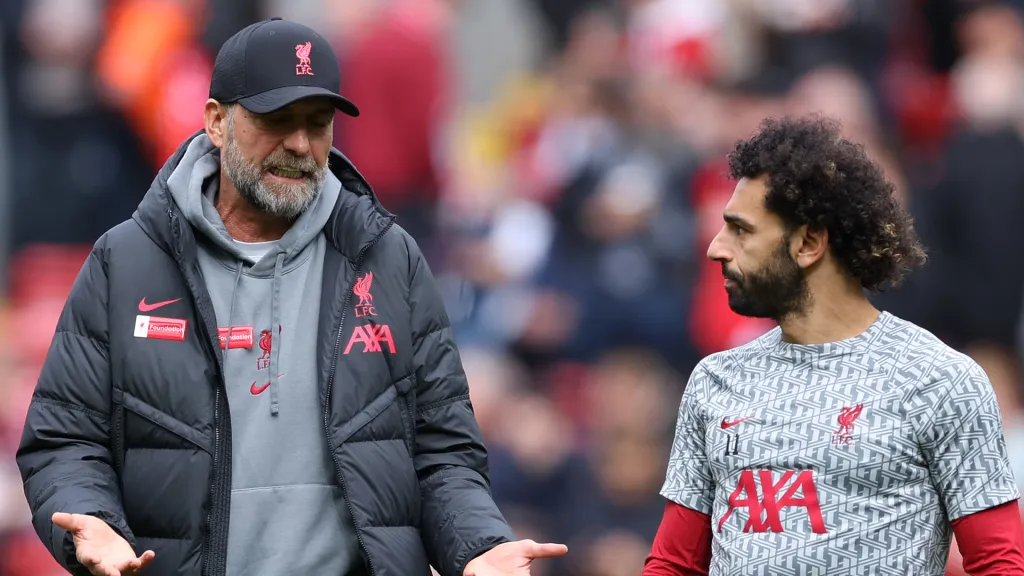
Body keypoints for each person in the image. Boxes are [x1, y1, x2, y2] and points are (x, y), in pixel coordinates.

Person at [16, 18, 567, 576]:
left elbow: (442, 451)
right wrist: (92, 520)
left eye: (317, 123)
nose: (300, 144)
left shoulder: (388, 258)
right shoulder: (127, 263)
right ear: (216, 122)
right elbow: (65, 439)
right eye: (277, 120)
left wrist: (476, 544)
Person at [642, 116, 1024, 575]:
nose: (716, 248)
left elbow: (1000, 563)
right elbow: (673, 564)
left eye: (740, 230)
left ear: (808, 243)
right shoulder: (714, 380)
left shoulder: (939, 380)